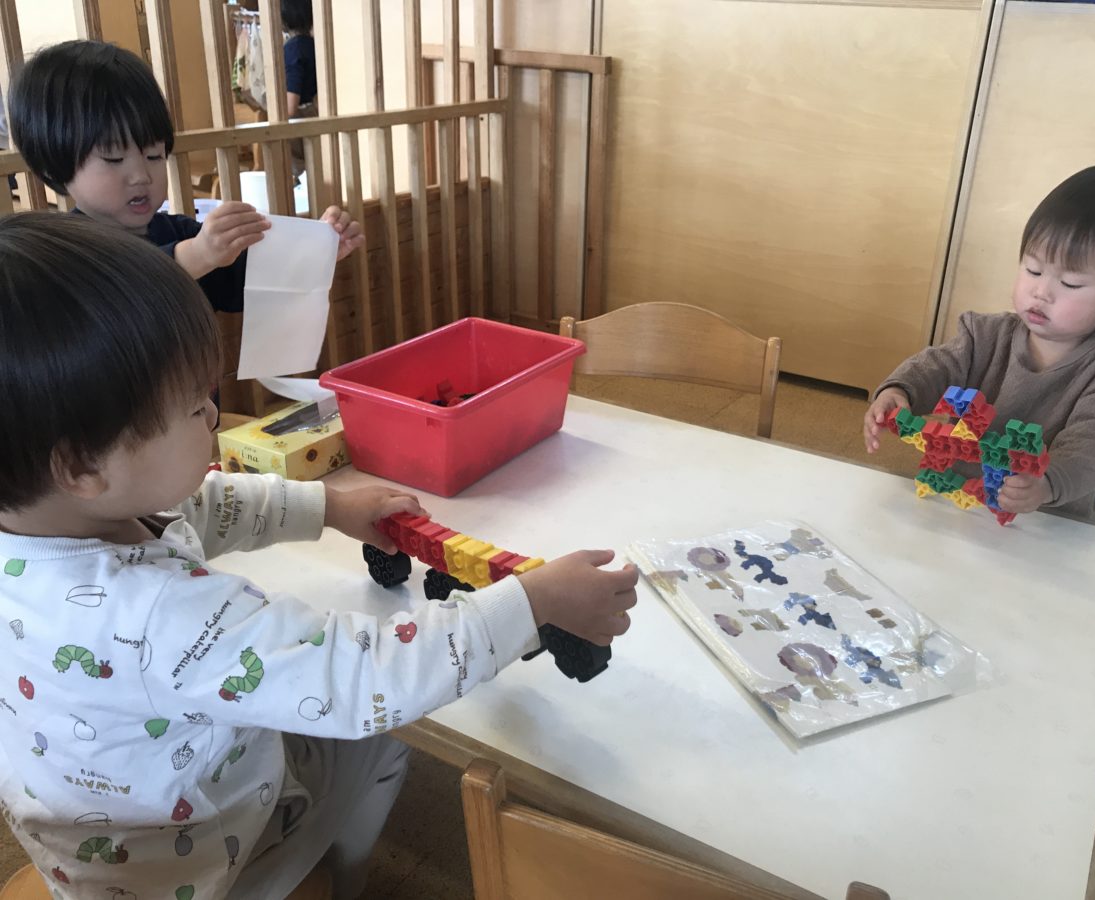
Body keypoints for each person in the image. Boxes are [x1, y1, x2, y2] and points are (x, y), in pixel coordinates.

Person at [0, 213, 638, 899]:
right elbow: (361, 676)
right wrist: (533, 602)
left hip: (89, 848)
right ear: (83, 467)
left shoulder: (58, 519)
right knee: (393, 732)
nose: (215, 417)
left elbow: (204, 505)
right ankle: (330, 877)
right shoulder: (159, 617)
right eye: (194, 407)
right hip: (204, 867)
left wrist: (330, 507)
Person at [863, 164, 1095, 522]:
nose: (1041, 291)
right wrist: (900, 390)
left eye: (1070, 283)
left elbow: (1094, 450)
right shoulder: (984, 335)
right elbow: (938, 366)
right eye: (1033, 269)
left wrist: (1047, 483)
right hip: (962, 502)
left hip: (1051, 520)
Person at [6, 39, 363, 317]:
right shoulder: (63, 256)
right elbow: (122, 288)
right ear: (53, 167)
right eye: (113, 158)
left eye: (154, 155)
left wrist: (316, 252)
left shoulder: (178, 232)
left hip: (200, 394)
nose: (141, 175)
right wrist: (197, 255)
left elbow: (248, 283)